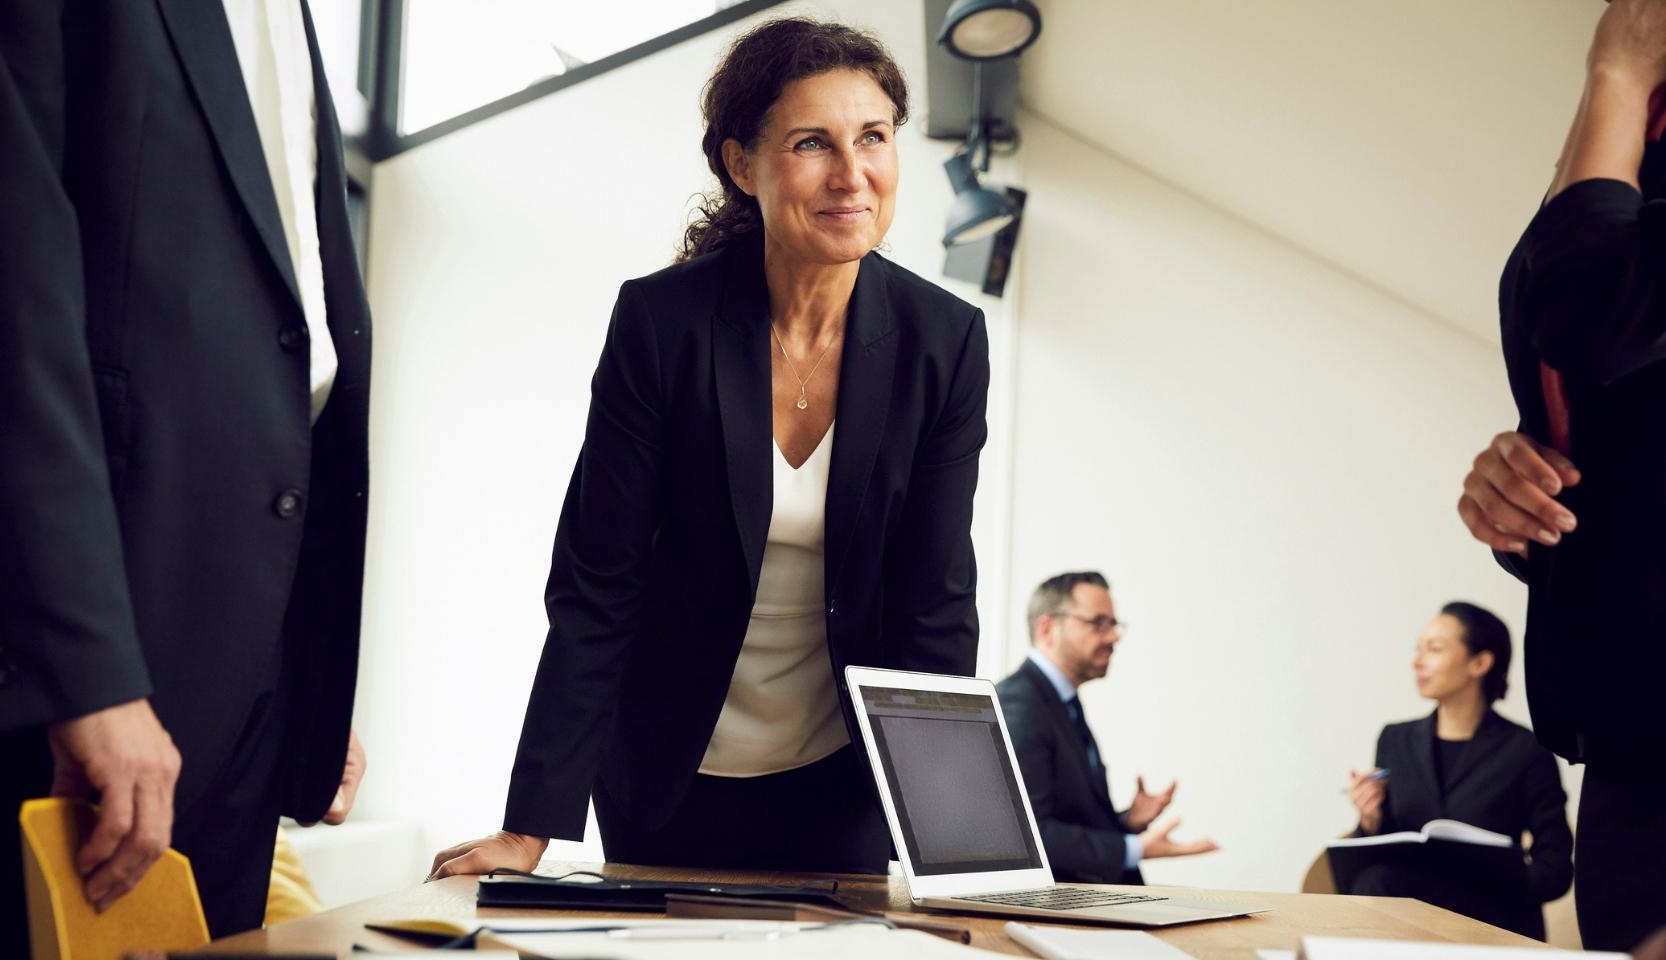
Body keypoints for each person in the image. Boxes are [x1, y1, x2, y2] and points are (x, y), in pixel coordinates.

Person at [428, 18, 989, 880]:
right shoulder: (663, 326)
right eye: (812, 143)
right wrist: (531, 826)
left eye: (873, 137)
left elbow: (935, 606)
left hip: (842, 776)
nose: (853, 174)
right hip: (665, 771)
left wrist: (951, 839)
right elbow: (597, 586)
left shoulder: (942, 342)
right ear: (741, 164)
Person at [0, 1, 372, 953]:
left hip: (250, 658)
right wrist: (87, 672)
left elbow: (296, 332)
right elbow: (2, 281)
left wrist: (308, 676)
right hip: (89, 637)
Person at [1454, 0, 1666, 950]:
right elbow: (1571, 345)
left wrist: (1615, 69)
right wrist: (1526, 495)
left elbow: (1584, 311)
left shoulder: (1624, 95)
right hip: (1626, 733)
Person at [1344, 603, 1572, 940]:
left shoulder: (1526, 750)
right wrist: (1370, 821)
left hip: (1493, 919)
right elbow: (1381, 854)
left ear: (1479, 663)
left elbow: (1553, 872)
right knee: (1375, 881)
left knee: (1380, 884)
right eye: (1418, 649)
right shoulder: (1395, 739)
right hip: (1410, 915)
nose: (1417, 661)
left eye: (1434, 649)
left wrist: (1487, 872)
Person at [995, 572, 1215, 884]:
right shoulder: (1020, 705)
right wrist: (1134, 848)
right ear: (1047, 629)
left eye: (1113, 625)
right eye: (1098, 623)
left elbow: (1069, 817)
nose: (1113, 637)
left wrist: (1126, 821)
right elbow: (1029, 834)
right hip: (1061, 915)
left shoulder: (1061, 700)